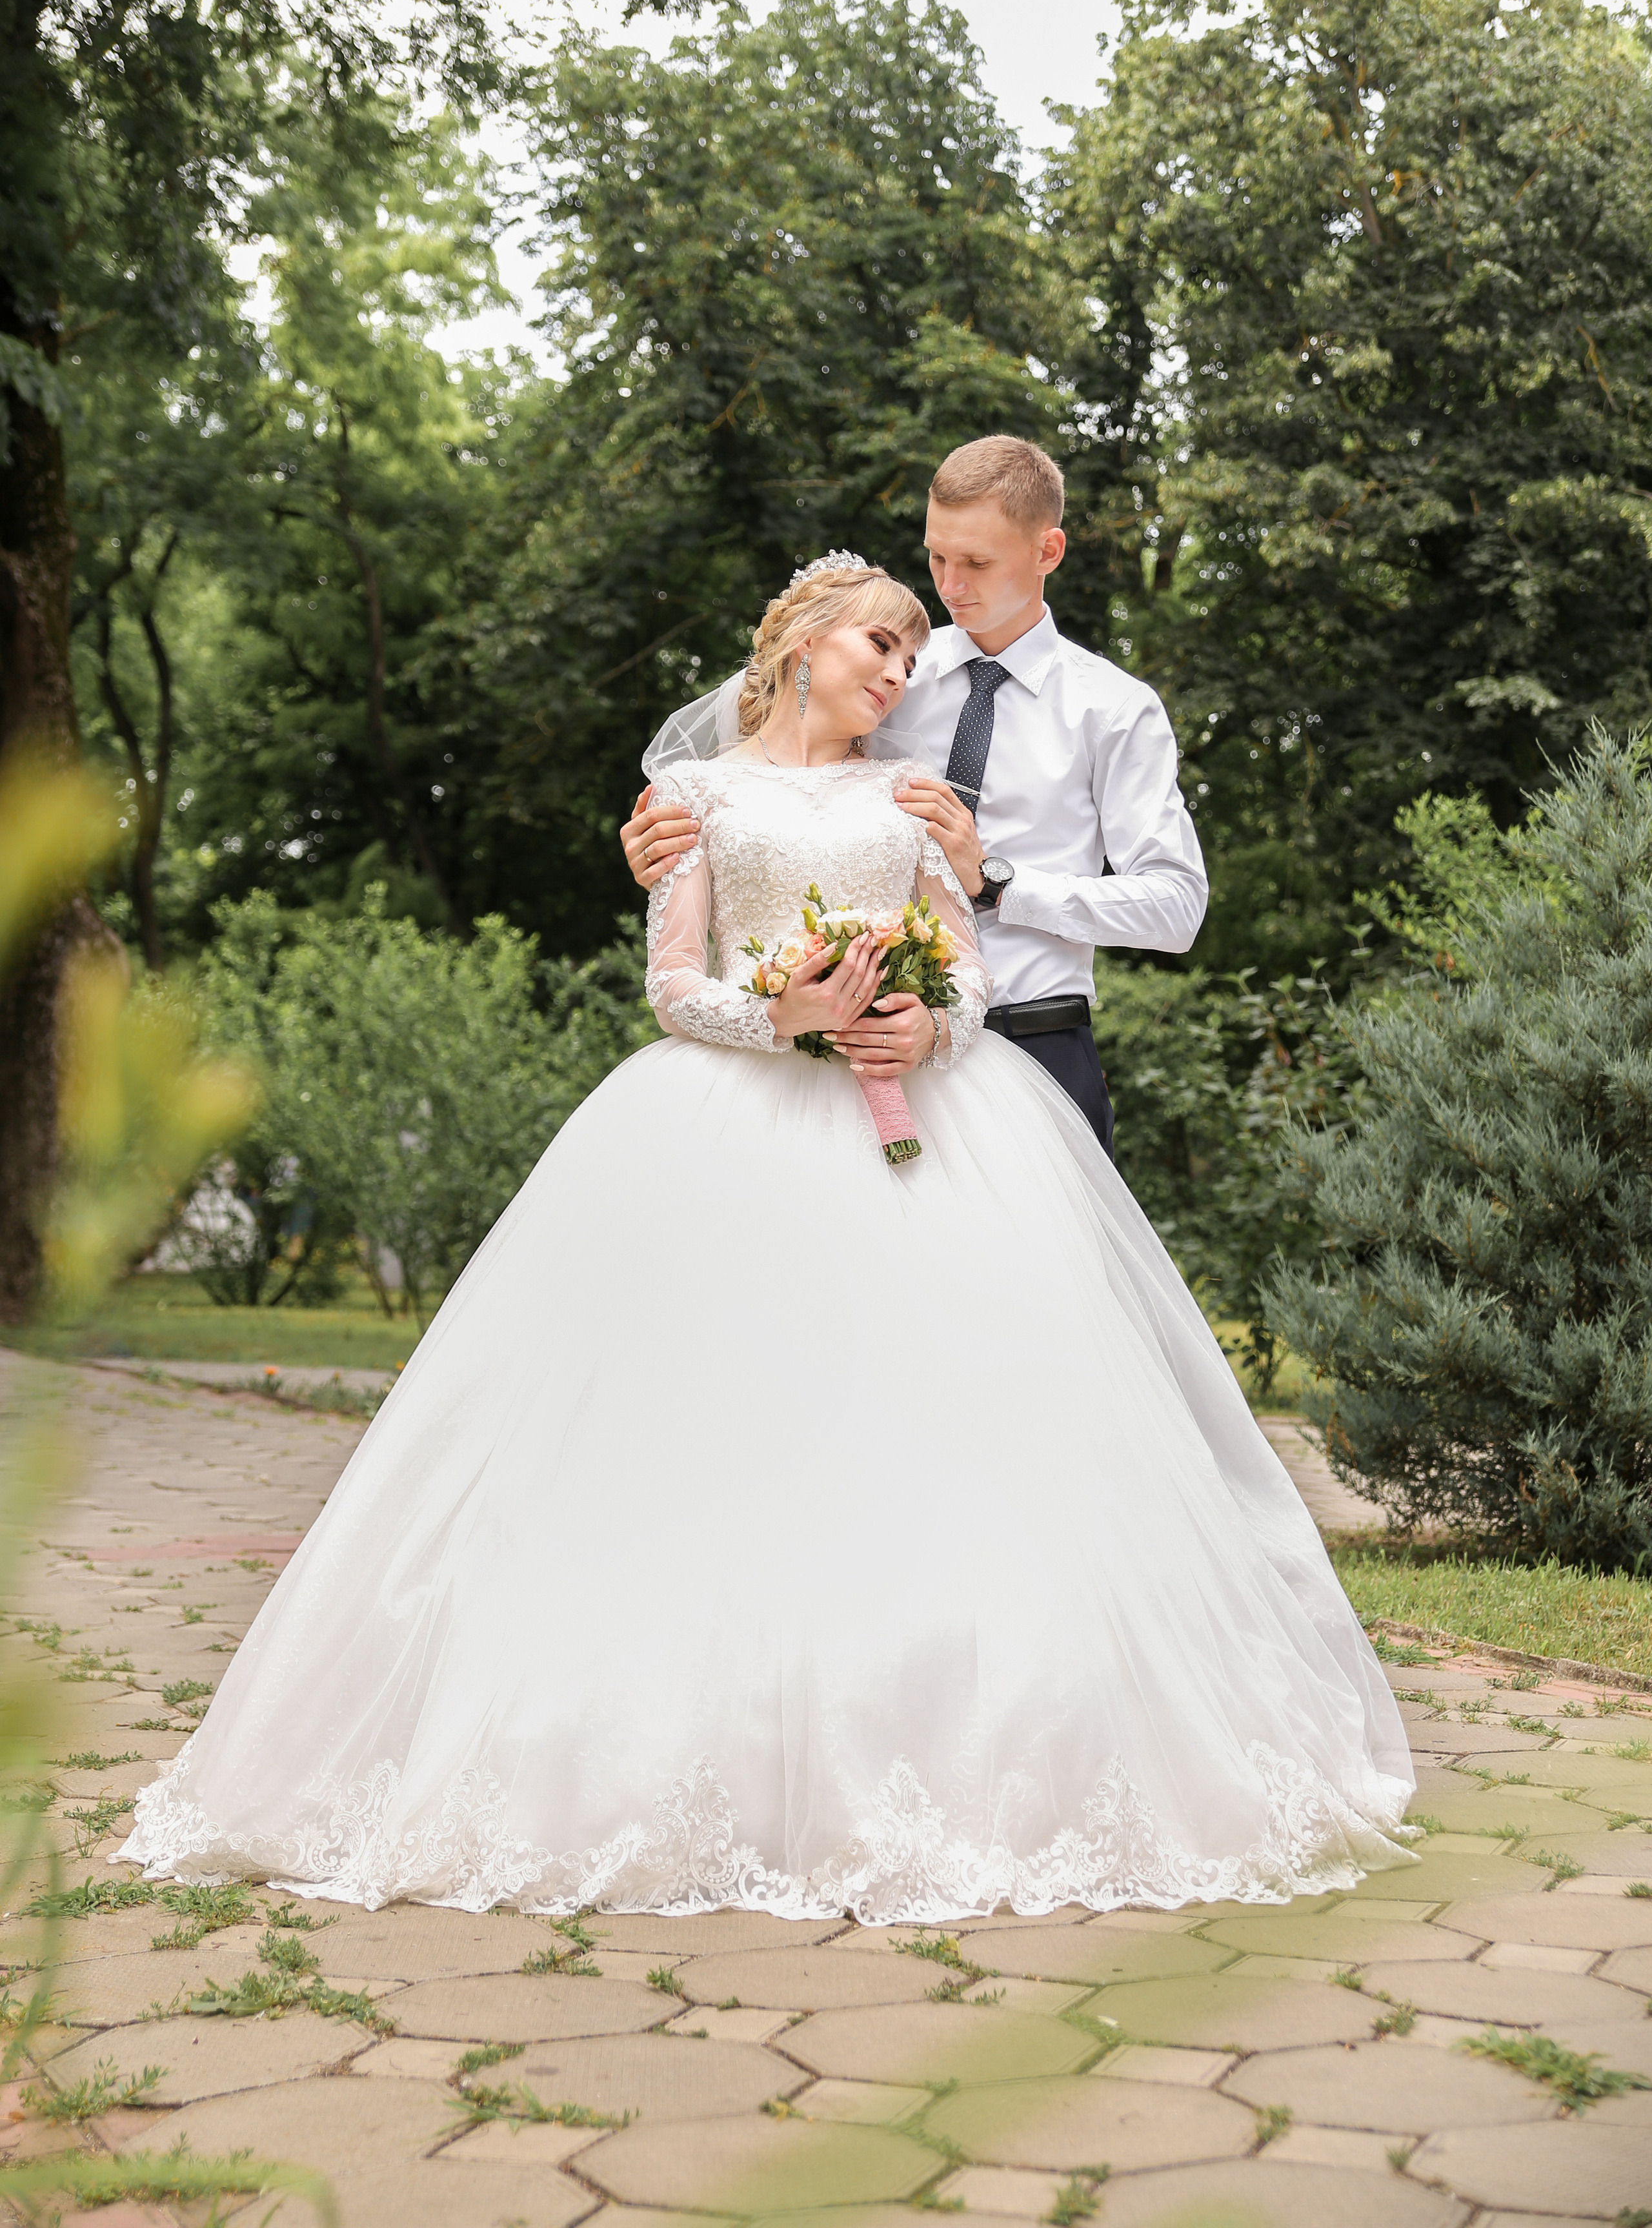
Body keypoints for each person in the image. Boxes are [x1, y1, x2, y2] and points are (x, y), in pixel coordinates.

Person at [118, 559, 1412, 1923]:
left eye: (911, 659)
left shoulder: (915, 800)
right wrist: (780, 1018)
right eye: (879, 643)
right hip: (722, 1130)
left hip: (928, 1135)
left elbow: (966, 965)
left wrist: (929, 1024)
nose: (897, 674)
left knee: (939, 1433)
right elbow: (673, 985)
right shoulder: (692, 802)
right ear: (798, 643)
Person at [623, 436, 1206, 1157]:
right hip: (830, 1065)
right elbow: (776, 785)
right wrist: (673, 844)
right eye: (936, 557)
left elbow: (1177, 908)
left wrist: (997, 883)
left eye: (976, 563)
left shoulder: (1114, 709)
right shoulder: (882, 675)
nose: (951, 585)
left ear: (1047, 552)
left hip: (1034, 1042)